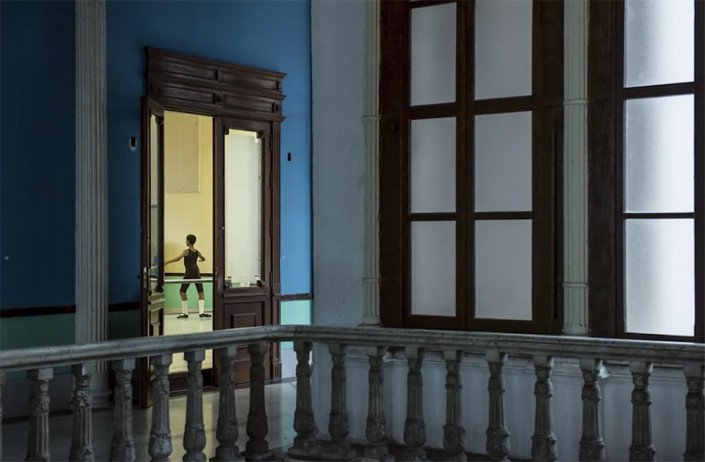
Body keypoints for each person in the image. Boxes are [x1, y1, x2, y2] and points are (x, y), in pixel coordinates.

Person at [165, 234, 210, 318]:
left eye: (186, 240)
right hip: (196, 272)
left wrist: (167, 262)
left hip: (189, 272)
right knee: (200, 292)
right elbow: (203, 258)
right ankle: (201, 313)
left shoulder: (186, 251)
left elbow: (178, 258)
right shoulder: (197, 252)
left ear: (188, 241)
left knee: (182, 291)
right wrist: (201, 260)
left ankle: (185, 313)